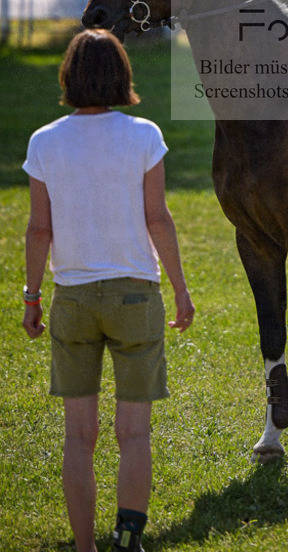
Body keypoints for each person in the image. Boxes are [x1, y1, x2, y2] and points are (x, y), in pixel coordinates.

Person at [22, 29, 195, 552]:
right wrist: (182, 291)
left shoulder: (43, 140)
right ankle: (127, 539)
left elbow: (38, 230)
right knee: (133, 432)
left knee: (79, 435)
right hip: (136, 296)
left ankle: (83, 547)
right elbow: (157, 219)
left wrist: (31, 297)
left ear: (68, 76)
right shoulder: (143, 134)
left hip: (71, 297)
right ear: (123, 74)